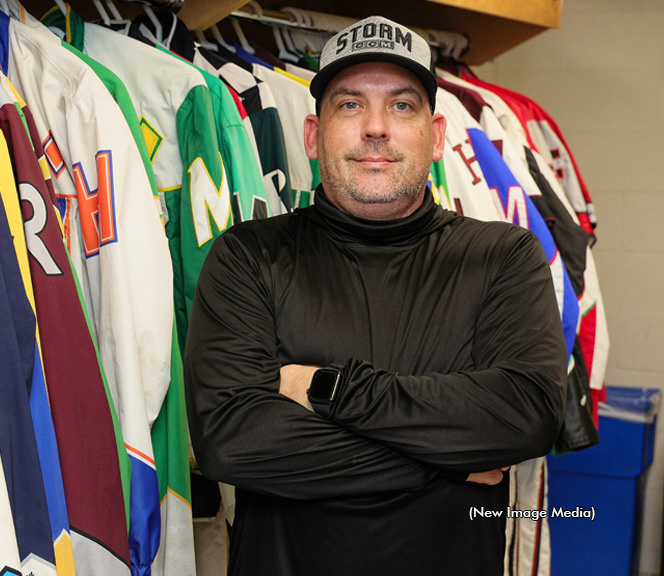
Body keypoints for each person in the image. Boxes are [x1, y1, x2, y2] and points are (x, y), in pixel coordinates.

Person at [184, 15, 567, 576]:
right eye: (349, 104)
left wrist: (325, 388)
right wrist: (447, 460)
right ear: (313, 135)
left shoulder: (502, 258)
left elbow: (526, 417)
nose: (376, 127)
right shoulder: (248, 257)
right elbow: (231, 443)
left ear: (436, 137)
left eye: (403, 105)